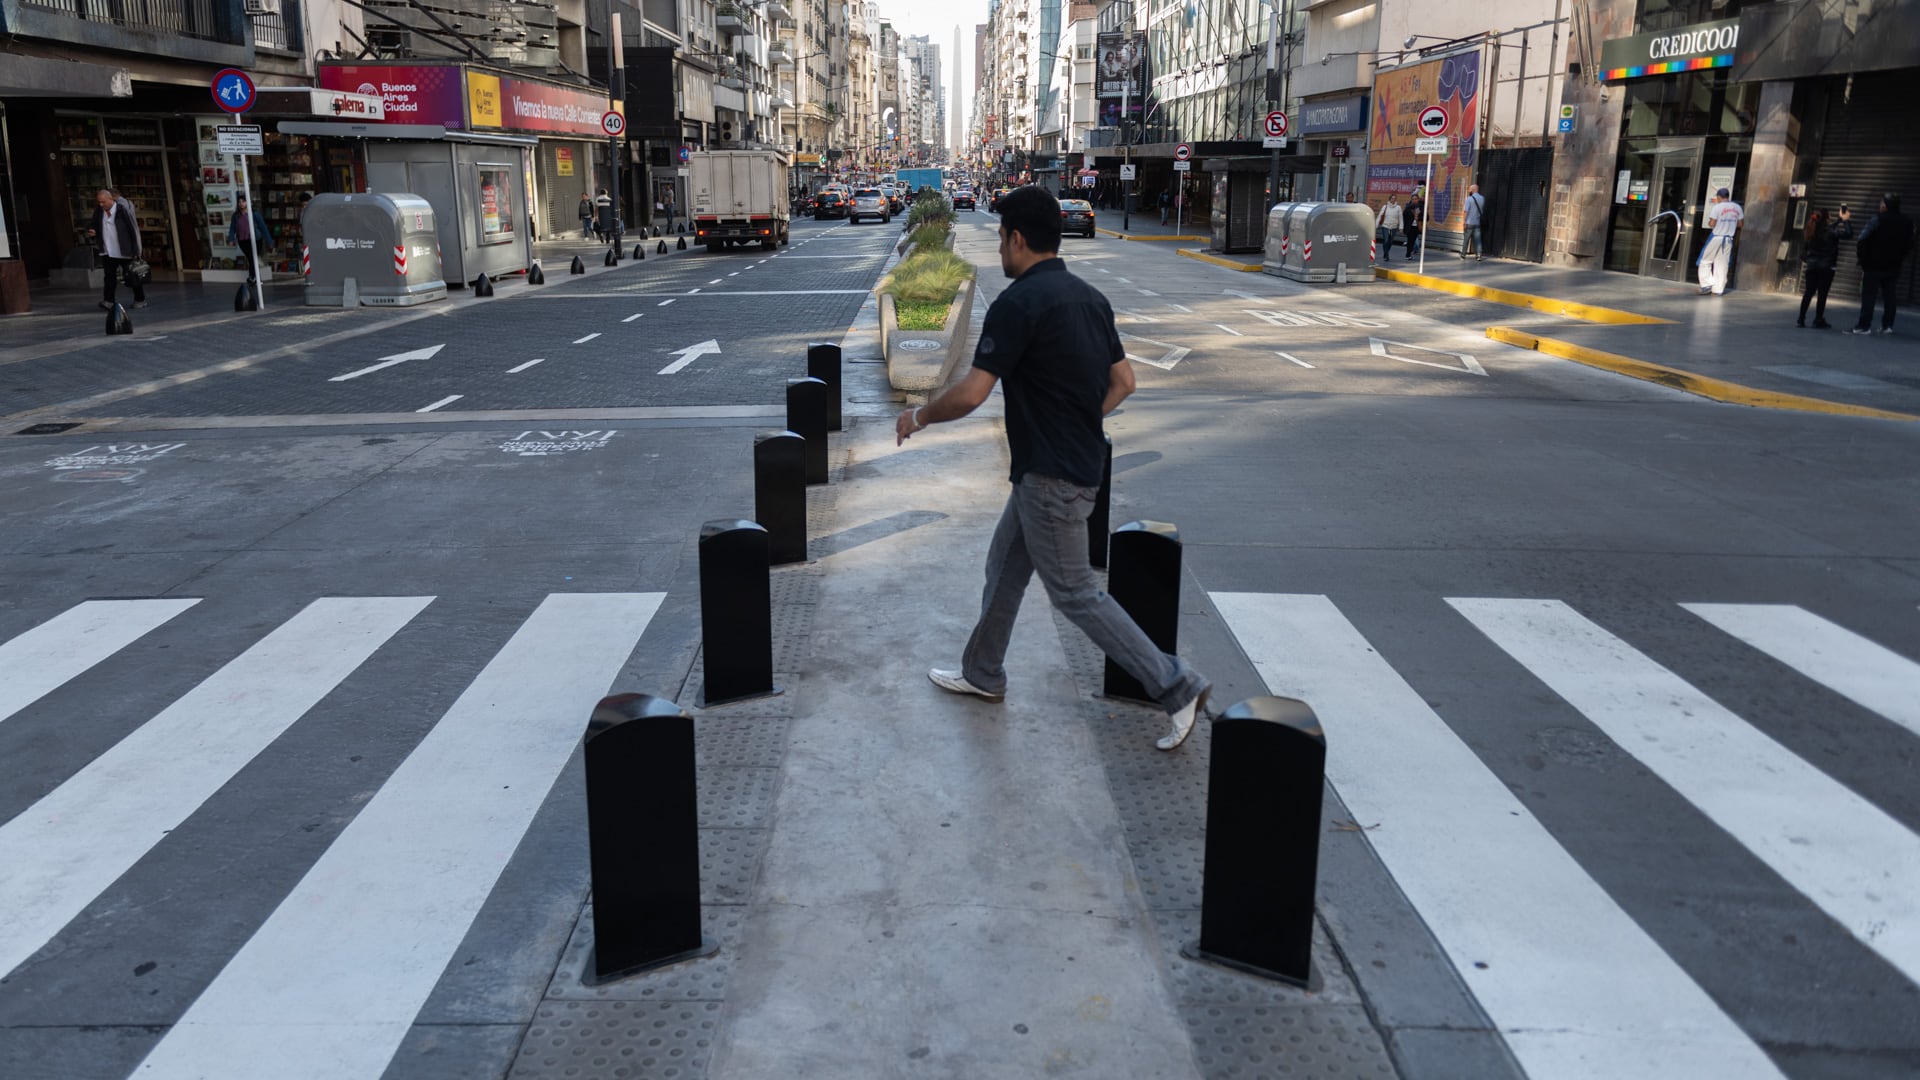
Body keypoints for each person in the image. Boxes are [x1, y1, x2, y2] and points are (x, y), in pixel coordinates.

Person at [892, 186, 1213, 751]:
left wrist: (918, 416)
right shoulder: (1090, 298)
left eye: (1000, 238)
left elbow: (971, 393)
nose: (999, 249)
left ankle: (1177, 685)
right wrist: (1076, 422)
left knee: (1076, 594)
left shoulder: (1018, 304)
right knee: (1004, 568)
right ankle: (983, 672)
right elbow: (1124, 383)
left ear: (1017, 239)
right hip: (1058, 467)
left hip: (1050, 479)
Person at [1849, 193, 1913, 335]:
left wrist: (1863, 258)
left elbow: (1862, 238)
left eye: (1881, 203)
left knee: (1869, 295)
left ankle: (1864, 326)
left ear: (1885, 205)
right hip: (1894, 266)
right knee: (1890, 296)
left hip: (1873, 265)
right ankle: (1887, 325)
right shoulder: (1907, 222)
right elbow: (1910, 243)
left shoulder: (1877, 219)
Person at [87, 187, 145, 310]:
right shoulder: (99, 211)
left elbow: (133, 230)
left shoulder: (122, 210)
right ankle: (109, 300)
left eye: (103, 202)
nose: (101, 204)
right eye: (99, 202)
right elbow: (94, 223)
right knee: (109, 277)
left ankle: (140, 299)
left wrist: (136, 250)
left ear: (111, 199)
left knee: (132, 275)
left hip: (124, 250)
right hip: (107, 250)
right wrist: (93, 230)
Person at [1798, 207, 1850, 329]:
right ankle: (1818, 319)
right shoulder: (1830, 231)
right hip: (1826, 267)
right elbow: (1848, 234)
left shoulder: (1811, 229)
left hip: (1812, 266)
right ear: (1827, 218)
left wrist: (1839, 220)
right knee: (1822, 294)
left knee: (1808, 292)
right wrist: (1846, 220)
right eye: (1830, 215)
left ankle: (1801, 319)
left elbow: (1805, 251)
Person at [1697, 187, 1743, 295]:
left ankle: (1706, 285)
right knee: (1722, 264)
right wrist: (1730, 224)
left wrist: (1712, 223)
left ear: (1719, 197)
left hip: (1716, 237)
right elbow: (1740, 224)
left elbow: (1712, 223)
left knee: (1705, 260)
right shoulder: (1737, 207)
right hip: (1728, 239)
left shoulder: (1717, 207)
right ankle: (1718, 289)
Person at [228, 193, 274, 284]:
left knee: (252, 258)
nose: (241, 203)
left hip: (255, 240)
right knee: (251, 258)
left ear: (247, 202)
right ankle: (253, 277)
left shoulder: (255, 214)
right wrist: (231, 239)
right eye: (239, 202)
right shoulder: (235, 216)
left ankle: (254, 277)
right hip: (242, 241)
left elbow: (263, 227)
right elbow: (232, 228)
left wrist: (269, 242)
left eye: (243, 201)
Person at [1461, 183, 1487, 260]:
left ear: (1472, 190)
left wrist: (1464, 221)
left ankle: (1463, 255)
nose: (1469, 190)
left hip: (1469, 222)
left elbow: (1466, 211)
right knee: (1478, 240)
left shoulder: (1469, 199)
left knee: (1466, 239)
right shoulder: (1482, 198)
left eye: (1470, 189)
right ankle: (1478, 255)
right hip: (1477, 222)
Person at [1376, 195, 1403, 262]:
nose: (1393, 199)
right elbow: (1380, 215)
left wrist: (1401, 227)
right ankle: (1386, 255)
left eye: (1394, 198)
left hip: (1394, 227)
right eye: (1392, 198)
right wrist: (1376, 225)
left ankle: (1386, 252)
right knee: (1386, 240)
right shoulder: (1385, 206)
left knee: (1390, 241)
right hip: (1385, 226)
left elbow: (1400, 218)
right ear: (1390, 199)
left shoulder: (1398, 208)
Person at [1404, 187, 1425, 259]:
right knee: (1410, 240)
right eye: (1413, 199)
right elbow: (1405, 216)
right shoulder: (1408, 207)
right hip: (1410, 227)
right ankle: (1408, 254)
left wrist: (1418, 217)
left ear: (1418, 199)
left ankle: (1409, 253)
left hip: (1417, 227)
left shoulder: (1421, 207)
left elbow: (1426, 217)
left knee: (1413, 241)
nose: (1414, 200)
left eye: (1416, 199)